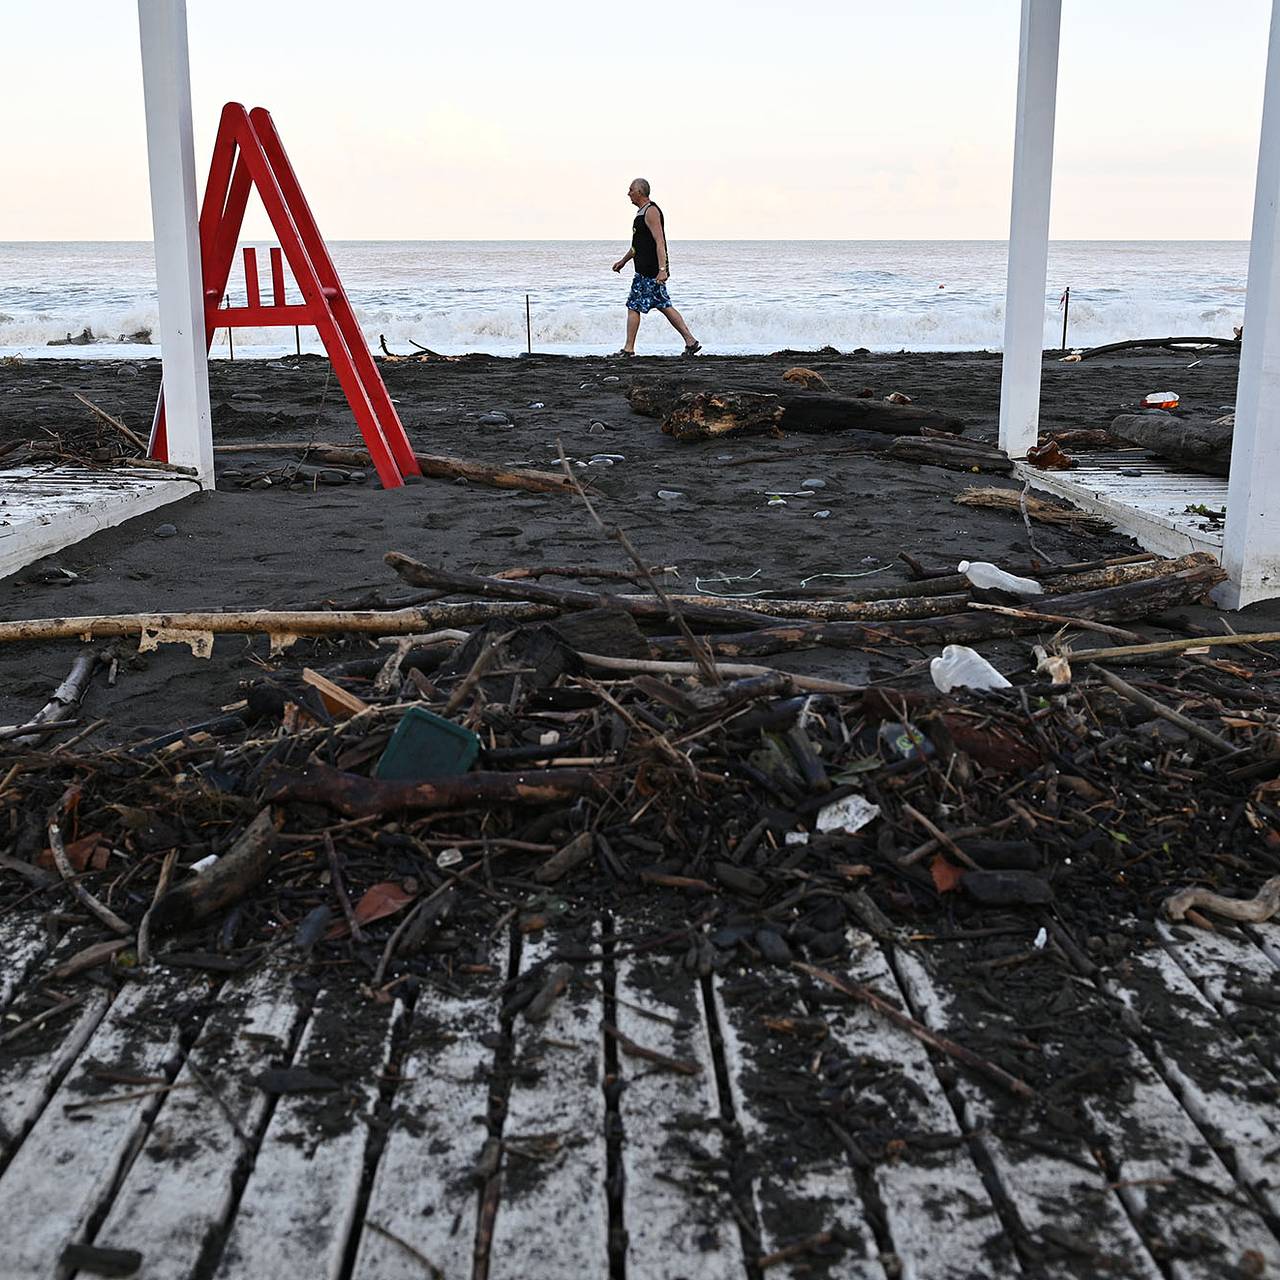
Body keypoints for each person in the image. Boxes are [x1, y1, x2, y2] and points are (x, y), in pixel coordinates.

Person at [611, 178, 701, 357]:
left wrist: (662, 270)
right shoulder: (640, 214)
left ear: (640, 192)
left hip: (650, 271)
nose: (628, 193)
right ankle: (690, 342)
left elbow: (660, 241)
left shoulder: (651, 211)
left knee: (634, 306)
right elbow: (636, 247)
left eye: (631, 190)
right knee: (663, 305)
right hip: (643, 270)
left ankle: (628, 349)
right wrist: (623, 261)